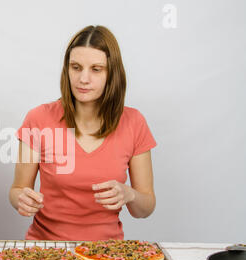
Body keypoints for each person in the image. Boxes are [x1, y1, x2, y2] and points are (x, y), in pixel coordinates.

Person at [9, 25, 157, 241]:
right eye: (76, 67)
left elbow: (144, 209)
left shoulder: (134, 122)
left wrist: (129, 194)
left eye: (96, 69)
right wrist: (21, 199)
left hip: (107, 253)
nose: (83, 79)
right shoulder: (39, 118)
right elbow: (17, 189)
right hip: (45, 250)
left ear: (112, 73)